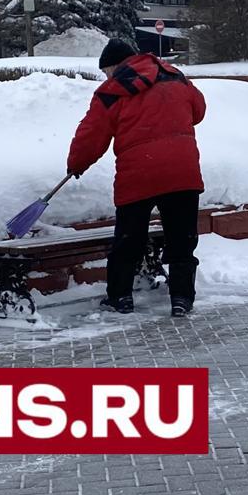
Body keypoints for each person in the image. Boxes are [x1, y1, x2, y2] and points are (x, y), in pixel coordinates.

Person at [67, 38, 207, 317]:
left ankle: (120, 298)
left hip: (139, 173)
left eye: (107, 71)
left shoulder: (112, 91)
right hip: (183, 171)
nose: (106, 76)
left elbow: (92, 134)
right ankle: (181, 298)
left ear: (116, 66)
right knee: (182, 240)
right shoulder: (173, 75)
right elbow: (199, 110)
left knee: (128, 240)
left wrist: (76, 164)